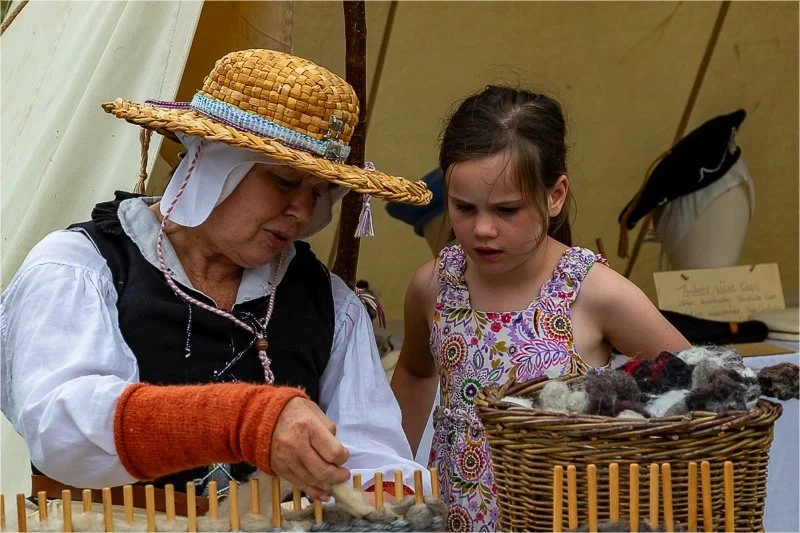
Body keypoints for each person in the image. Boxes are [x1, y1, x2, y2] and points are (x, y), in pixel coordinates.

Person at [1, 49, 432, 509]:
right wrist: (241, 421)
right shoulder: (80, 267)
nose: (303, 213)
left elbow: (371, 461)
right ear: (215, 165)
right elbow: (64, 433)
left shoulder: (331, 303)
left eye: (320, 192)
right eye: (285, 182)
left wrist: (385, 499)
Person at [391, 85, 690, 531]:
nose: (483, 229)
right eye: (463, 208)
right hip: (457, 519)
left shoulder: (594, 292)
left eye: (507, 210)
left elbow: (696, 384)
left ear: (555, 195)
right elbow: (416, 373)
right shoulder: (434, 286)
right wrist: (392, 477)